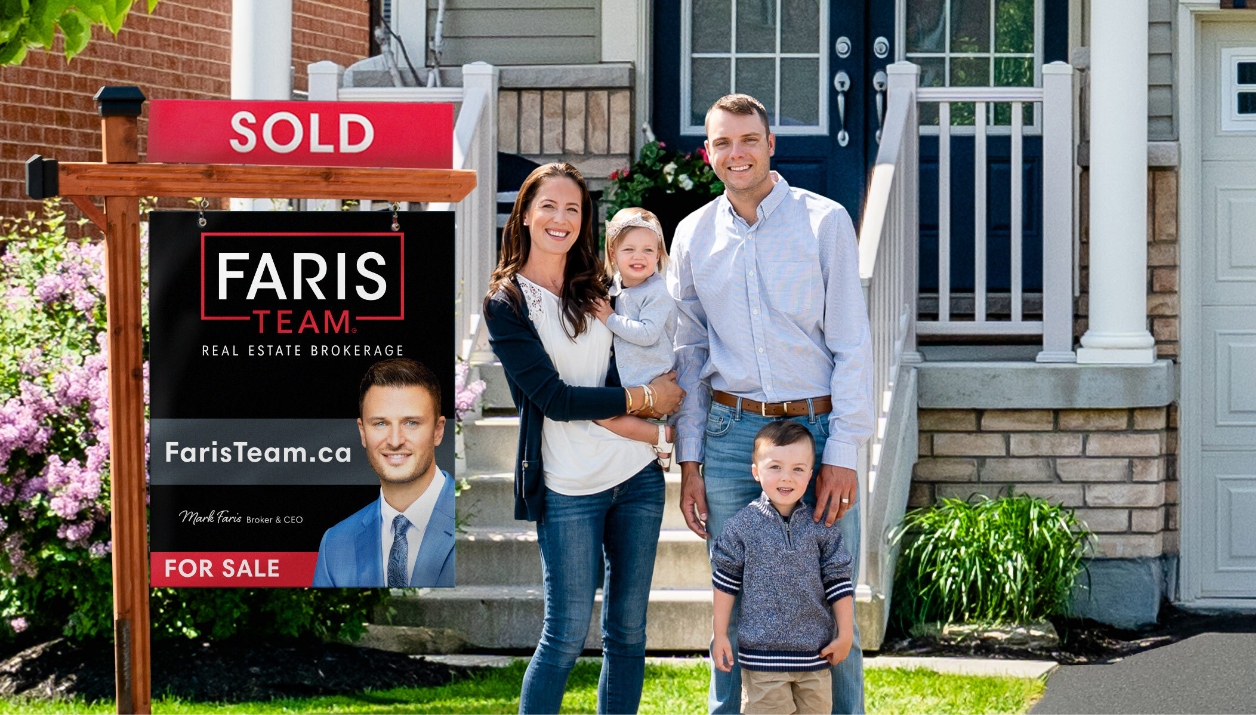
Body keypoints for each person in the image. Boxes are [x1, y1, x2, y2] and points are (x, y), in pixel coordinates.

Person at [667, 93, 874, 714]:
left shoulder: (824, 221)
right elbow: (689, 356)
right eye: (723, 143)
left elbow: (852, 345)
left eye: (748, 139)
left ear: (770, 145)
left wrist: (842, 453)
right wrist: (692, 464)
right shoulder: (693, 234)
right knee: (732, 604)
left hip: (816, 430)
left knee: (831, 601)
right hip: (733, 438)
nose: (737, 153)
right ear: (708, 154)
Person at [482, 162, 685, 714]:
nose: (560, 218)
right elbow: (556, 399)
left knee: (628, 633)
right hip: (569, 486)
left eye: (573, 208)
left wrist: (652, 426)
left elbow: (637, 355)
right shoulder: (507, 303)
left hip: (635, 477)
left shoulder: (598, 286)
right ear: (524, 213)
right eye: (548, 205)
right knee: (564, 636)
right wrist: (645, 404)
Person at [711, 421, 855, 715]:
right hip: (763, 665)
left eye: (798, 469)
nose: (786, 477)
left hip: (815, 662)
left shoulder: (822, 529)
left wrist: (846, 634)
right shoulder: (742, 527)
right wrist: (721, 633)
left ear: (810, 475)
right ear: (756, 471)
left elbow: (839, 581)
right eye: (775, 467)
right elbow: (724, 581)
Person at [312, 358, 455, 588]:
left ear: (438, 431)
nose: (395, 441)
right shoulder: (336, 544)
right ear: (362, 432)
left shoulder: (474, 518)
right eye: (380, 424)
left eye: (411, 422)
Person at [592, 207, 678, 468]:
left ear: (659, 255)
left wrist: (610, 318)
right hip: (627, 372)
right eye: (629, 249)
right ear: (613, 254)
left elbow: (648, 334)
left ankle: (661, 435)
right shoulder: (614, 288)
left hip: (649, 376)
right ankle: (659, 444)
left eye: (648, 250)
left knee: (600, 412)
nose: (638, 257)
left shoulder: (656, 292)